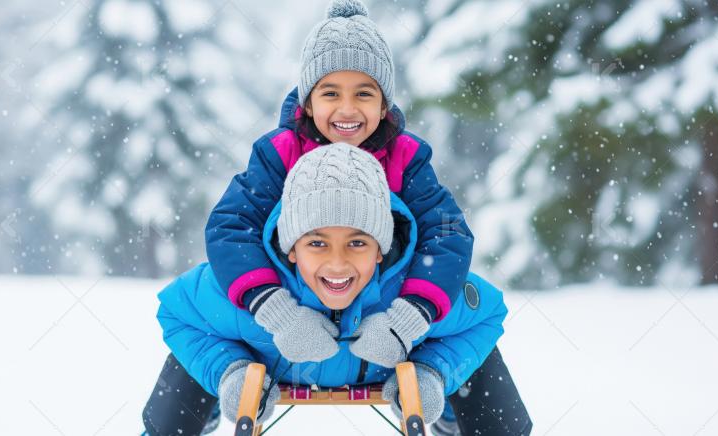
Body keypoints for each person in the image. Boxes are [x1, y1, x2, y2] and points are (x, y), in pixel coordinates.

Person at [143, 144, 532, 435]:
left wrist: (433, 372)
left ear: (381, 250)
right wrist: (229, 371)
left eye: (358, 243)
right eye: (317, 243)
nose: (337, 263)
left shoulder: (405, 288)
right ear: (291, 248)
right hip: (272, 365)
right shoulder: (259, 292)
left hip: (394, 363)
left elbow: (487, 313)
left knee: (481, 361)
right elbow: (177, 312)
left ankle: (453, 415)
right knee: (188, 361)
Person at [205, 0, 473, 370]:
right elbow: (231, 226)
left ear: (383, 106)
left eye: (364, 93)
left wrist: (409, 315)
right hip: (297, 305)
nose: (347, 109)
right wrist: (275, 308)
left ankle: (449, 391)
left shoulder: (404, 157)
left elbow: (447, 232)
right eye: (330, 93)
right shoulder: (281, 153)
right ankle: (196, 402)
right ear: (309, 103)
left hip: (383, 310)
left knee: (471, 303)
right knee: (202, 299)